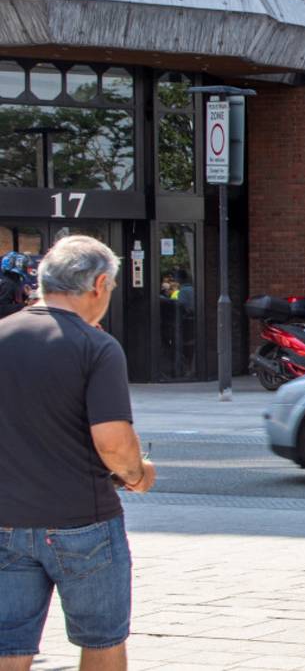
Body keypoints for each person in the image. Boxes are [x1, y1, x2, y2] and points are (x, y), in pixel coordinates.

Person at [0, 236, 155, 671]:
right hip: (82, 523)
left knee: (8, 647)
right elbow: (112, 442)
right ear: (99, 284)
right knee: (102, 642)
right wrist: (138, 473)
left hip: (4, 522)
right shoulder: (96, 346)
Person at [0, 251, 28, 319]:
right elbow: (2, 309)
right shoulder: (7, 283)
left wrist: (26, 296)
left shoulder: (14, 281)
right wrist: (26, 305)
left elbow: (15, 299)